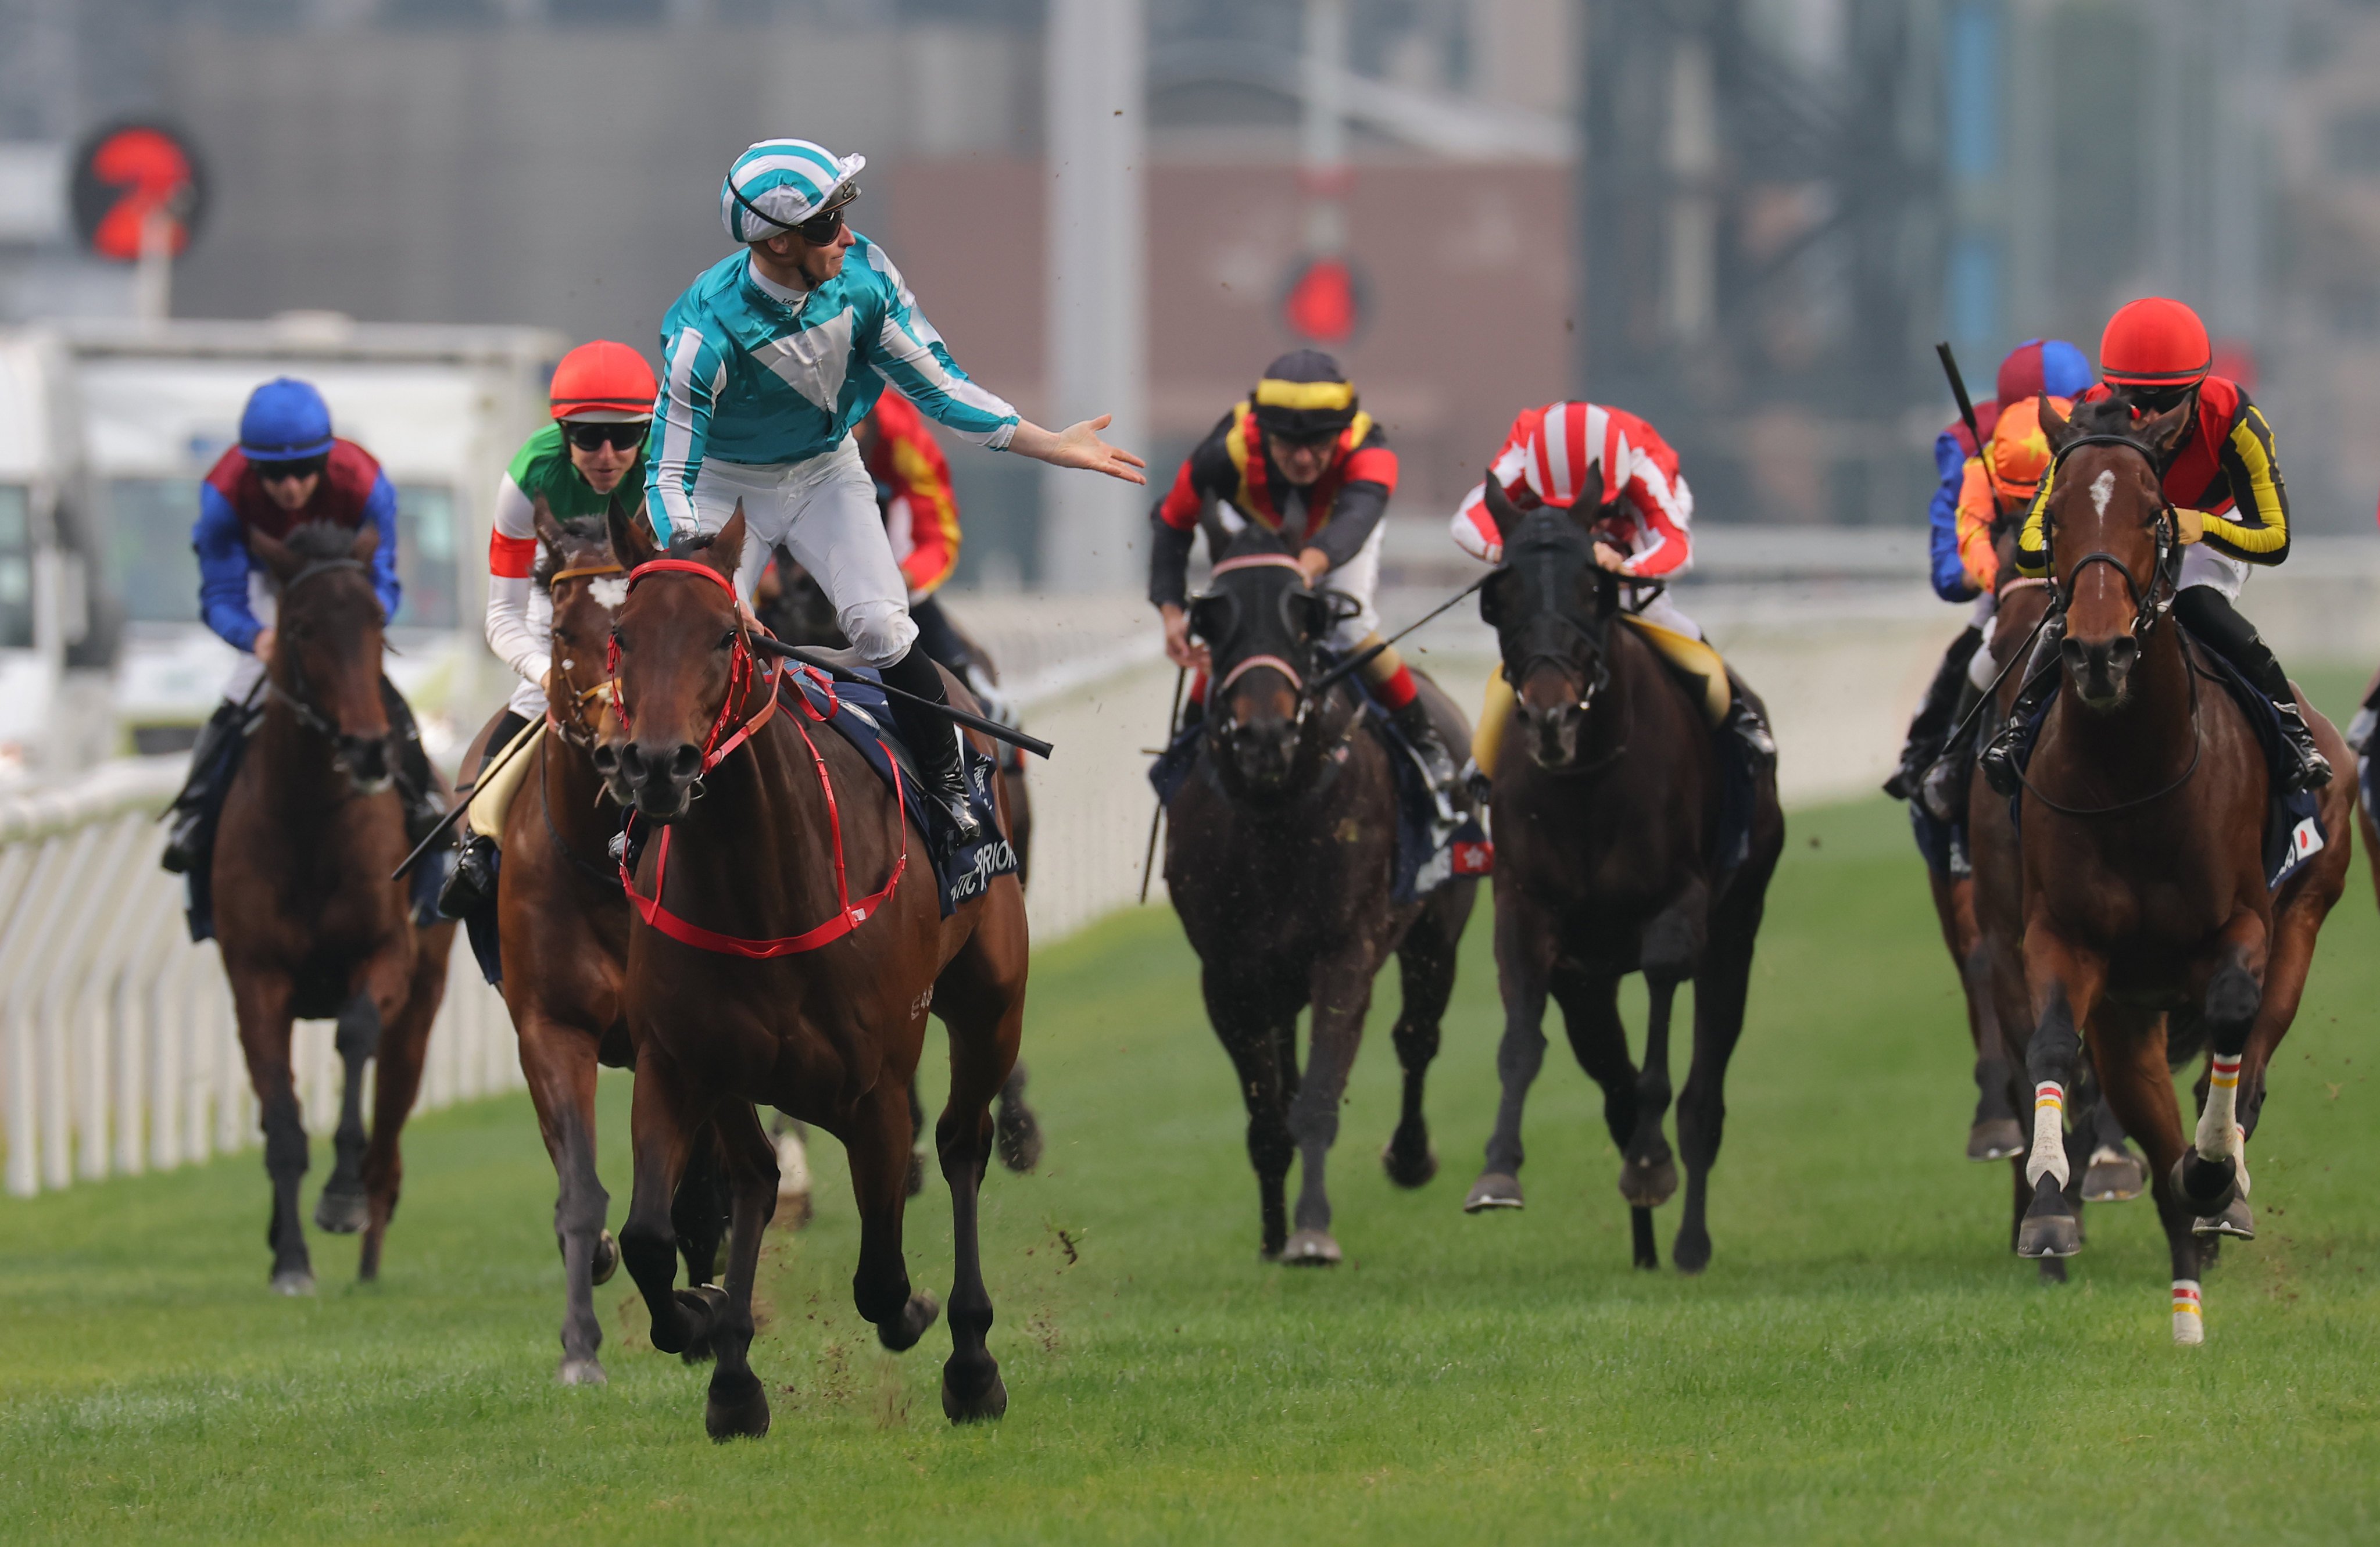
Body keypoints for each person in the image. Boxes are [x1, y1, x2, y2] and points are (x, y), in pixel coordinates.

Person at [648, 138, 1143, 840]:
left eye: (845, 215)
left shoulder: (866, 276)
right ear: (781, 243)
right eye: (828, 225)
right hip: (727, 493)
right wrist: (710, 581)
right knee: (696, 633)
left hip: (825, 471)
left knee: (882, 627)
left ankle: (947, 787)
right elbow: (667, 476)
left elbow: (940, 387)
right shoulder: (704, 334)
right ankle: (645, 813)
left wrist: (1050, 443)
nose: (847, 236)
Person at [1984, 296, 2331, 793]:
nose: (2145, 415)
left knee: (2196, 605)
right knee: (2080, 614)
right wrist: (2084, 563)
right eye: (2132, 397)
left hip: (2212, 523)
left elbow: (2275, 540)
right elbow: (2029, 547)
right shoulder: (2091, 416)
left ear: (2196, 388)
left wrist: (2201, 528)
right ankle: (2016, 733)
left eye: (2164, 401)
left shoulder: (2235, 418)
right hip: (2125, 534)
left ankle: (2294, 734)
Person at [161, 377, 440, 875]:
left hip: (343, 584)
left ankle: (423, 802)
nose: (290, 487)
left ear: (326, 460)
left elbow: (385, 580)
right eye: (274, 474)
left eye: (305, 471)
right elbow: (220, 597)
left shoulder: (366, 482)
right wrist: (256, 638)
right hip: (268, 582)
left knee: (370, 686)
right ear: (252, 465)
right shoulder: (223, 495)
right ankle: (195, 814)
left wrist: (359, 630)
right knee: (243, 685)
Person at [1146, 349, 1455, 791]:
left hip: (1335, 538)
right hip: (1255, 531)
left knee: (1349, 630)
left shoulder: (1371, 450)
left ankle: (1424, 742)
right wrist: (1171, 612)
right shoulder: (1224, 452)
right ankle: (1187, 742)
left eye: (1320, 445)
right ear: (1262, 433)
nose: (1305, 460)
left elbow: (1354, 524)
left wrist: (1301, 571)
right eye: (1289, 446)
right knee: (1238, 629)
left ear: (1342, 433)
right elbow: (1172, 521)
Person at [1450, 399, 1774, 787]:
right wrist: (1529, 558)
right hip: (1549, 539)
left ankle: (1739, 718)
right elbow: (1467, 521)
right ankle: (1488, 756)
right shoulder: (1523, 450)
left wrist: (1625, 567)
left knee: (1656, 617)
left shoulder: (1644, 466)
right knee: (1537, 633)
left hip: (1628, 531)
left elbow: (1677, 550)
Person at [439, 339, 656, 916]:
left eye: (625, 436)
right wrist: (550, 675)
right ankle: (478, 847)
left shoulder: (672, 465)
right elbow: (502, 617)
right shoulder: (527, 478)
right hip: (560, 606)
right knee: (532, 703)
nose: (607, 454)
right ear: (562, 433)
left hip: (649, 605)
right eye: (587, 437)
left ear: (647, 432)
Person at [1886, 338, 2093, 803]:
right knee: (1971, 653)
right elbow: (1948, 574)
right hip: (2008, 591)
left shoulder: (2109, 439)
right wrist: (1997, 567)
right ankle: (1937, 763)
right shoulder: (1970, 457)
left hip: (2093, 584)